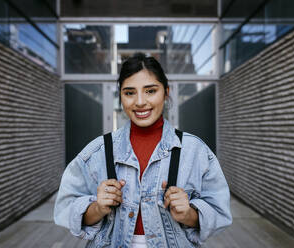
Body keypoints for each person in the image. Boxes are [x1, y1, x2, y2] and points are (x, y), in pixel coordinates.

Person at [54, 53, 232, 248]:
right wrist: (97, 207)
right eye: (129, 93)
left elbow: (220, 213)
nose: (140, 102)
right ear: (120, 96)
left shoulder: (195, 151)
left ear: (166, 92)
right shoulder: (97, 151)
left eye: (150, 91)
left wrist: (189, 214)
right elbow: (65, 210)